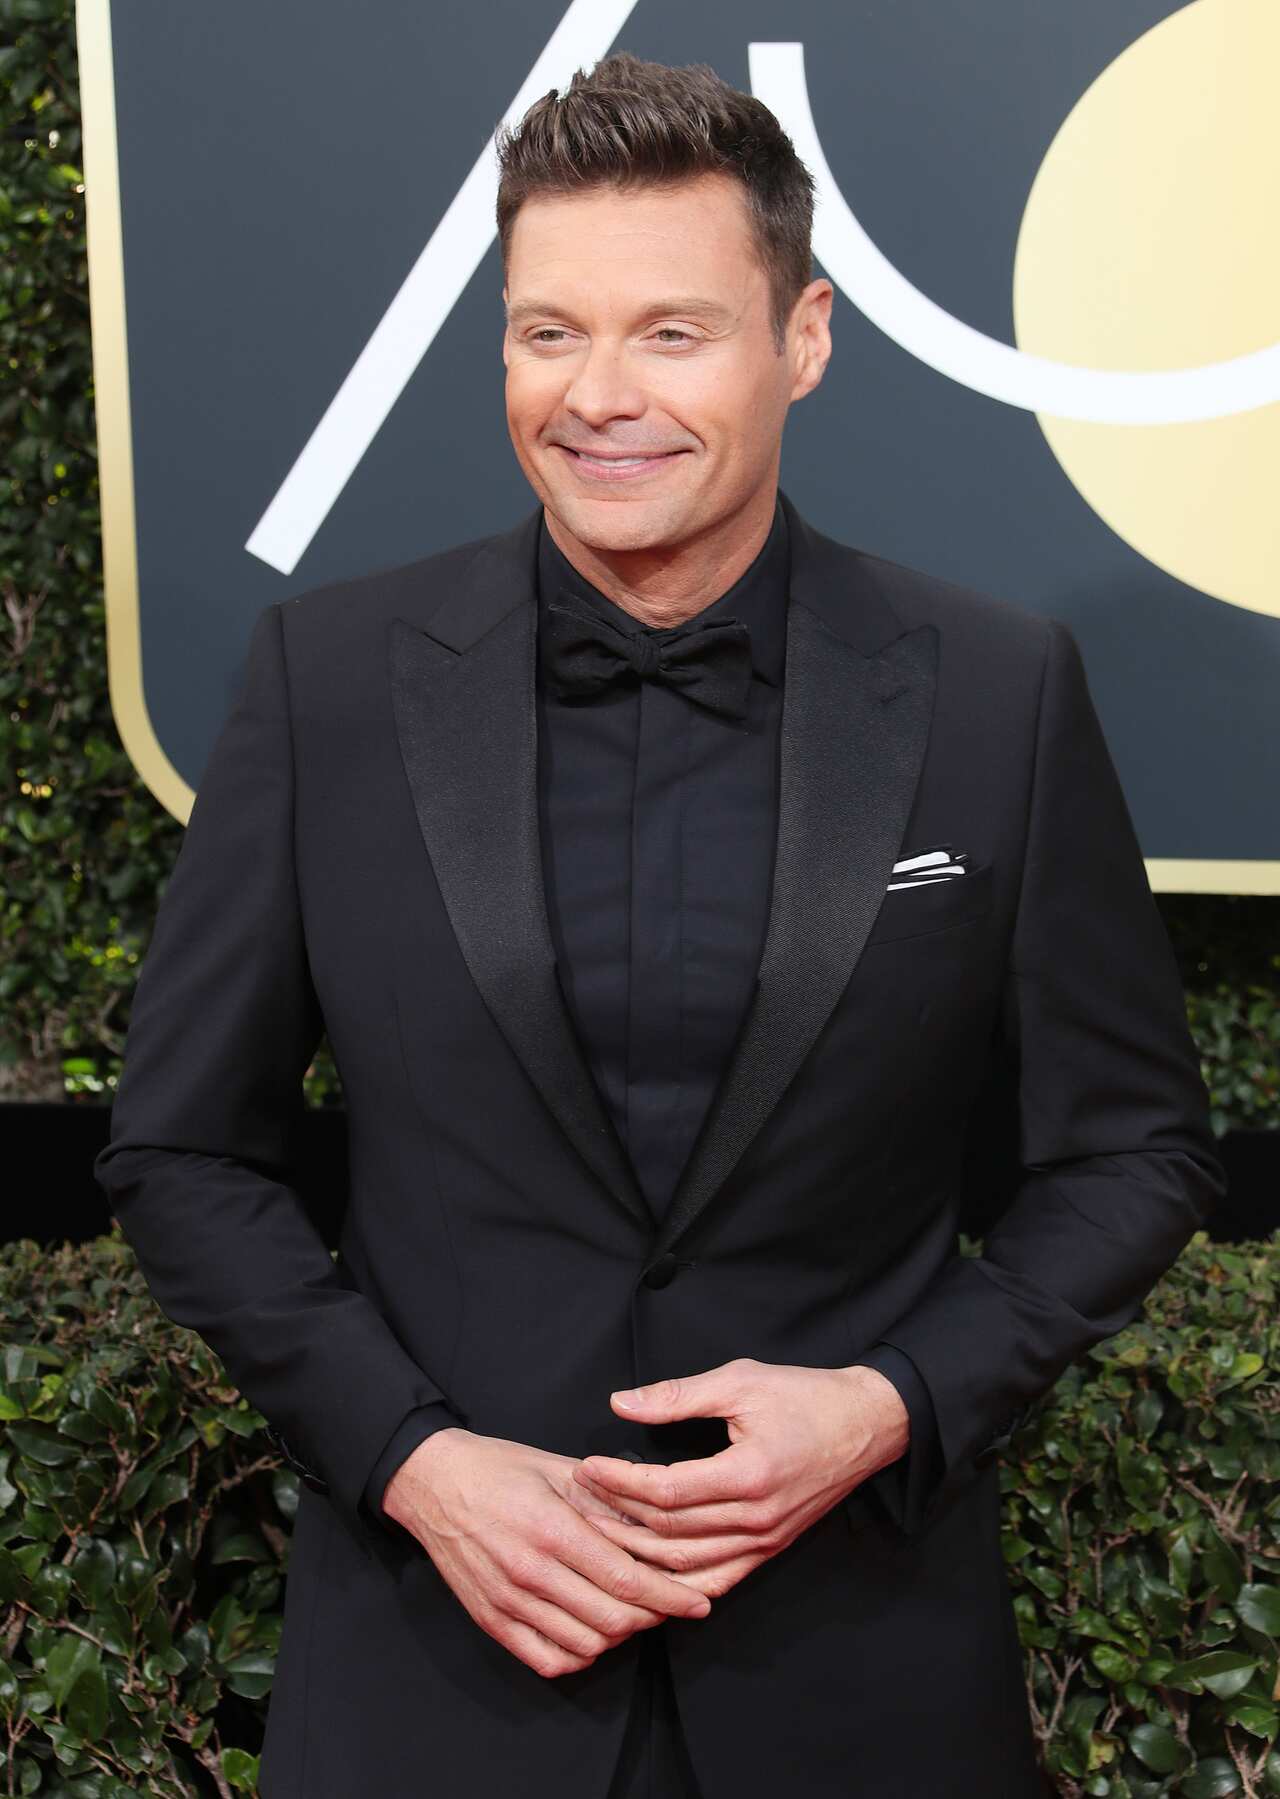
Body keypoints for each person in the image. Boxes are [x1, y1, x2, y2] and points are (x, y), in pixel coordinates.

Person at [93, 50, 1226, 1799]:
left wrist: (892, 1406)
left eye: (672, 333)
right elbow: (181, 1148)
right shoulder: (330, 683)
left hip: (862, 1675)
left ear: (808, 340)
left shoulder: (994, 693)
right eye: (549, 332)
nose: (597, 396)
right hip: (437, 1674)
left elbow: (1137, 1149)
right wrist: (413, 1462)